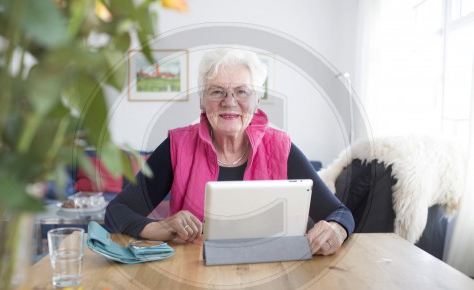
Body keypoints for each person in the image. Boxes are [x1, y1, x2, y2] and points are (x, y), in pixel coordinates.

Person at [105, 48, 354, 255]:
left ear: (256, 102)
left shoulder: (280, 147)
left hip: (270, 274)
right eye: (217, 91)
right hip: (192, 277)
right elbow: (116, 212)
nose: (229, 101)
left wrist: (336, 229)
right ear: (202, 101)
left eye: (242, 91)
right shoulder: (177, 146)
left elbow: (341, 213)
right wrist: (159, 227)